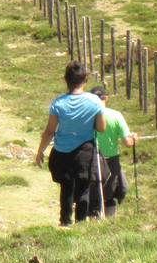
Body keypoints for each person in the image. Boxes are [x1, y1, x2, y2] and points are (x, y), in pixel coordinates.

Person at [34, 61, 107, 227]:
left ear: (66, 80)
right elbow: (101, 128)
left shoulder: (58, 103)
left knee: (66, 187)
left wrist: (40, 152)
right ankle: (81, 222)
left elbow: (49, 131)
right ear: (85, 80)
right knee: (83, 187)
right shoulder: (95, 101)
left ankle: (65, 221)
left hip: (62, 151)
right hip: (85, 150)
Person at [92, 84, 136, 217]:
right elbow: (128, 142)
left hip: (93, 159)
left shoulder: (87, 117)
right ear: (106, 98)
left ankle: (94, 220)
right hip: (111, 160)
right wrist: (134, 139)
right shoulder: (116, 115)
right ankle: (110, 221)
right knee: (110, 193)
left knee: (94, 191)